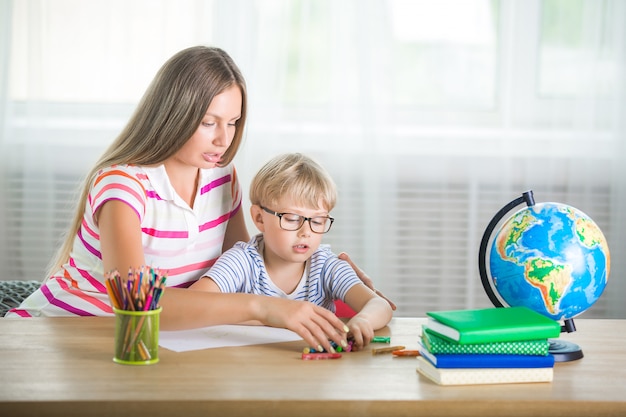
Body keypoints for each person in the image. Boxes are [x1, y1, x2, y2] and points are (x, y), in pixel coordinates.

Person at [5, 46, 392, 353]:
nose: (224, 140)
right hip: (67, 337)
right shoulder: (123, 185)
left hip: (169, 341)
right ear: (174, 114)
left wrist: (321, 280)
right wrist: (267, 308)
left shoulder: (223, 177)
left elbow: (246, 268)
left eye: (233, 123)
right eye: (209, 123)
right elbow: (139, 305)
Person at [190, 153, 393, 350]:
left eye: (317, 220)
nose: (305, 232)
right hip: (250, 370)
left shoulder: (326, 266)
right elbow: (196, 304)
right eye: (292, 219)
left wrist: (363, 320)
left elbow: (379, 304)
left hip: (313, 371)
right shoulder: (242, 261)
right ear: (259, 218)